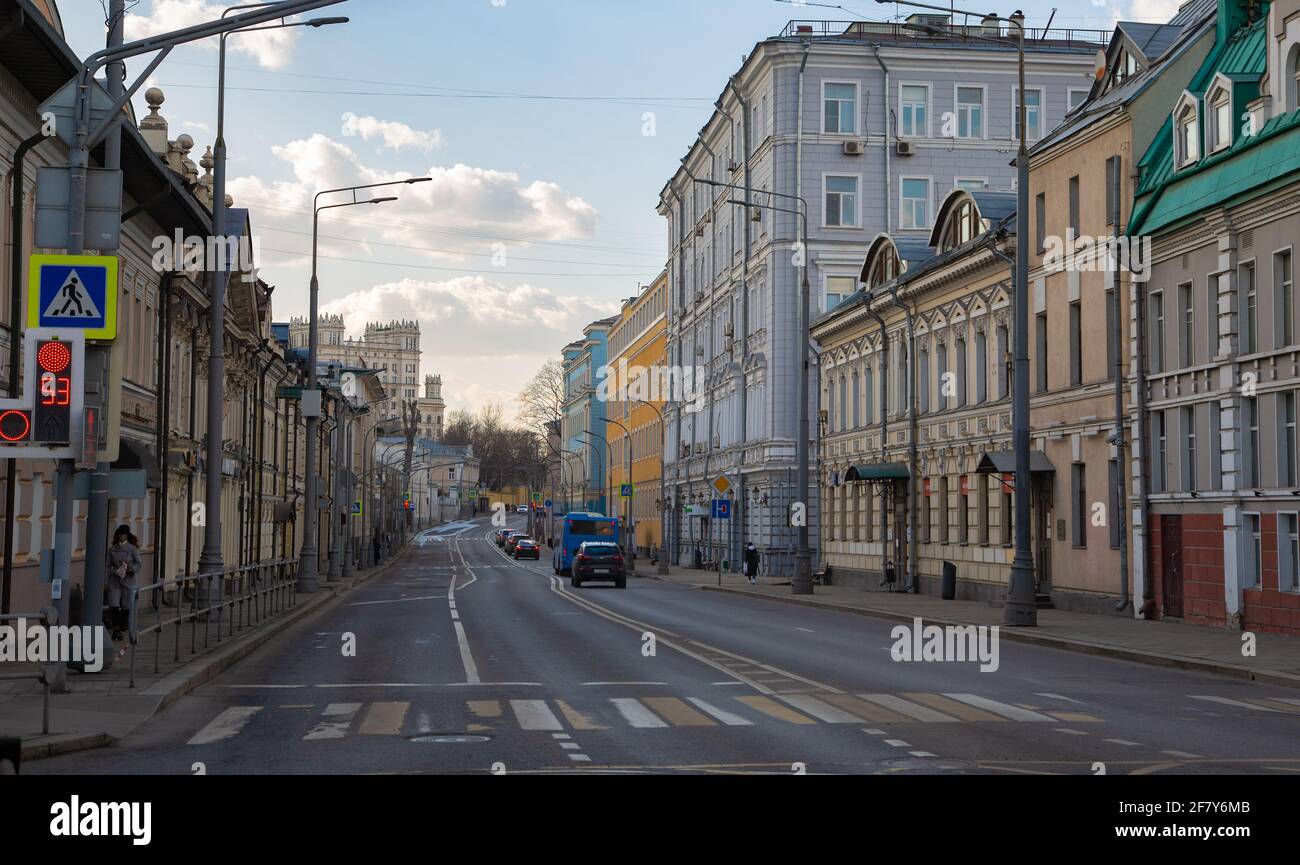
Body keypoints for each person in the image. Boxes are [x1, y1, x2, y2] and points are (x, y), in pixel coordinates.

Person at [106, 525, 142, 641]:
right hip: (115, 580)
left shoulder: (132, 549)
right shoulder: (112, 549)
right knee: (114, 604)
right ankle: (116, 629)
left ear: (127, 536)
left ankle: (122, 628)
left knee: (126, 605)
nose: (122, 536)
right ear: (118, 535)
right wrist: (109, 576)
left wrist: (131, 570)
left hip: (128, 580)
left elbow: (139, 563)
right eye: (121, 534)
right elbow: (107, 565)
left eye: (124, 534)